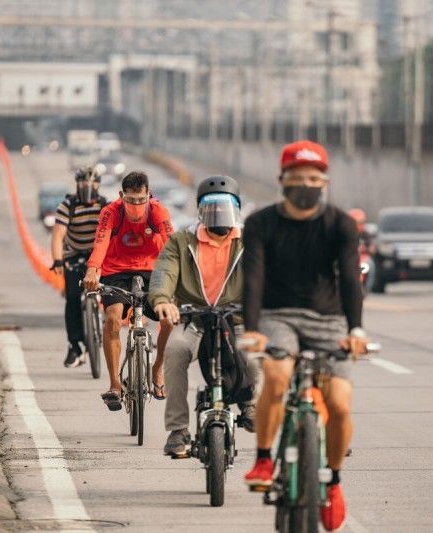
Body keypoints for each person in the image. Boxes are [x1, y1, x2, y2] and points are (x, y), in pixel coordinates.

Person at [240, 140, 370, 532]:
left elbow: (350, 278)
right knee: (277, 377)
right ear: (282, 180)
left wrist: (355, 330)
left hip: (328, 319)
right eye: (298, 178)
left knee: (340, 402)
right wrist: (251, 330)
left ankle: (333, 482)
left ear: (325, 182)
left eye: (314, 178)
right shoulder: (260, 223)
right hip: (278, 316)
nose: (306, 184)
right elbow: (253, 279)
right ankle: (264, 456)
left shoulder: (341, 225)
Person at [148, 175, 258, 456]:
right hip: (195, 320)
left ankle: (249, 404)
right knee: (174, 350)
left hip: (237, 319)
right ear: (200, 211)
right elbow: (164, 273)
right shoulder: (181, 242)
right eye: (211, 209)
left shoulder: (251, 241)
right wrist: (162, 301)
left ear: (236, 209)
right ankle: (178, 430)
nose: (218, 216)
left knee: (255, 351)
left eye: (225, 208)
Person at [83, 171, 174, 410]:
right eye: (130, 200)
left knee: (169, 317)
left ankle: (158, 366)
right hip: (116, 270)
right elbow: (101, 242)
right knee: (112, 319)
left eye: (140, 200)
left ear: (148, 195)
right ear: (121, 195)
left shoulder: (158, 212)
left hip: (152, 268)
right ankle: (115, 384)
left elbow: (171, 243)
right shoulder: (110, 212)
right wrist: (93, 270)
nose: (135, 206)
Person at [50, 166, 108, 368]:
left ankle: (109, 327)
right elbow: (58, 235)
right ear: (77, 185)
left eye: (92, 182)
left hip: (98, 257)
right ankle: (74, 345)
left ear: (98, 185)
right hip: (74, 256)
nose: (87, 186)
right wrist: (58, 261)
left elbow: (114, 233)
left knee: (112, 293)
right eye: (83, 182)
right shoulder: (68, 205)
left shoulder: (105, 206)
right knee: (72, 297)